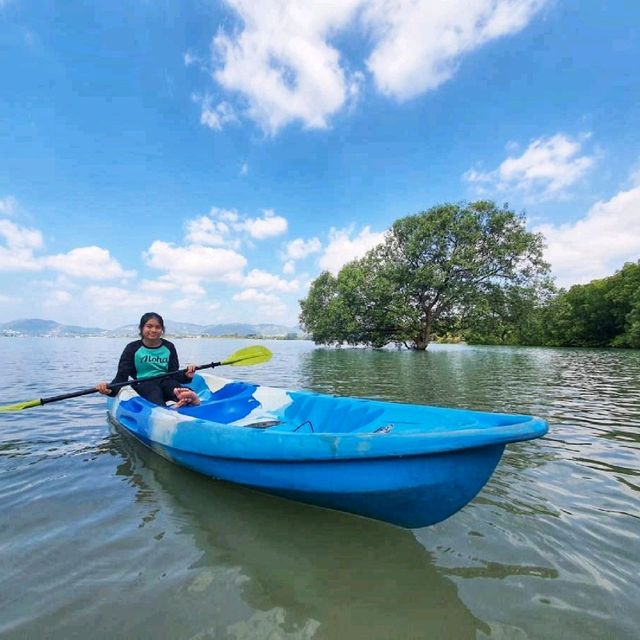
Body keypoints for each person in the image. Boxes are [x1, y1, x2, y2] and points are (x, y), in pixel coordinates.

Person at [96, 312, 200, 409]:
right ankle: (168, 408)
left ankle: (187, 398)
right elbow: (122, 377)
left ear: (162, 330)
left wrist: (187, 375)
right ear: (141, 328)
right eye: (149, 326)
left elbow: (174, 373)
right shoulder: (132, 348)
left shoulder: (169, 347)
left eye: (158, 327)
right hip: (143, 382)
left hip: (165, 380)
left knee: (175, 388)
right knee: (154, 393)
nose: (154, 330)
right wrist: (109, 390)